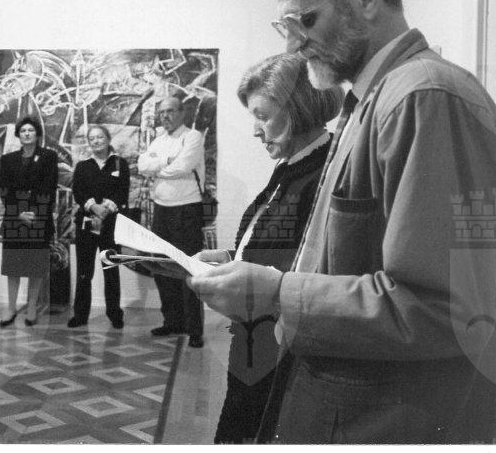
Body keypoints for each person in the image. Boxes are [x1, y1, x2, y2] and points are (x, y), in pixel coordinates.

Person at [189, 0, 496, 444]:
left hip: (393, 422)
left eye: (303, 20)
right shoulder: (374, 100)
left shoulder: (426, 99)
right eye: (283, 27)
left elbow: (446, 309)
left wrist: (276, 291)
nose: (293, 44)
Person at [195, 53, 340, 443]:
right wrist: (231, 258)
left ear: (298, 109)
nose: (256, 131)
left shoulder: (322, 173)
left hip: (277, 351)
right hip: (255, 343)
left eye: (263, 116)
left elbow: (311, 268)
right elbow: (278, 246)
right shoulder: (293, 164)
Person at [137, 95, 206, 348]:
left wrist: (157, 168)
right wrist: (166, 161)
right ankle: (173, 321)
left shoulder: (193, 137)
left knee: (189, 269)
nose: (165, 116)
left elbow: (183, 167)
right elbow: (142, 165)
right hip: (161, 210)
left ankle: (194, 329)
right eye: (162, 112)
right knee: (163, 268)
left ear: (182, 113)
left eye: (170, 111)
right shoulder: (159, 140)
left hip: (186, 210)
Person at [0, 116, 58, 327]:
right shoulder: (7, 159)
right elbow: (4, 190)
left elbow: (49, 187)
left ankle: (32, 307)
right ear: (18, 134)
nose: (26, 133)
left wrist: (33, 212)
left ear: (37, 133)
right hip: (15, 220)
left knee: (35, 266)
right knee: (13, 267)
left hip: (38, 219)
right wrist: (19, 213)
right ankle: (11, 307)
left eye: (30, 130)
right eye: (23, 130)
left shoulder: (49, 156)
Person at [68, 125, 128, 329]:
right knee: (84, 271)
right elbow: (78, 192)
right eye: (92, 138)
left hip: (111, 225)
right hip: (87, 224)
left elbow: (123, 192)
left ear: (108, 139)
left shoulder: (120, 163)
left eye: (100, 137)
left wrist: (106, 209)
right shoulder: (82, 166)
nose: (96, 141)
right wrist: (93, 207)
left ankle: (114, 314)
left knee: (111, 269)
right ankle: (80, 315)